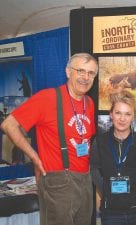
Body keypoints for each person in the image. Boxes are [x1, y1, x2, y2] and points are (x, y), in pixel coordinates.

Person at [0, 53, 98, 225]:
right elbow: (8, 125)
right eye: (80, 71)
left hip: (85, 180)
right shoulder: (47, 98)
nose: (86, 77)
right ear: (68, 72)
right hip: (58, 182)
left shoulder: (89, 103)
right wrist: (34, 157)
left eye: (91, 73)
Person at [90, 90, 136, 225]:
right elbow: (94, 169)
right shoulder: (99, 141)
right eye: (118, 113)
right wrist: (106, 187)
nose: (122, 118)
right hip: (110, 213)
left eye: (127, 114)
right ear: (111, 115)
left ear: (133, 118)